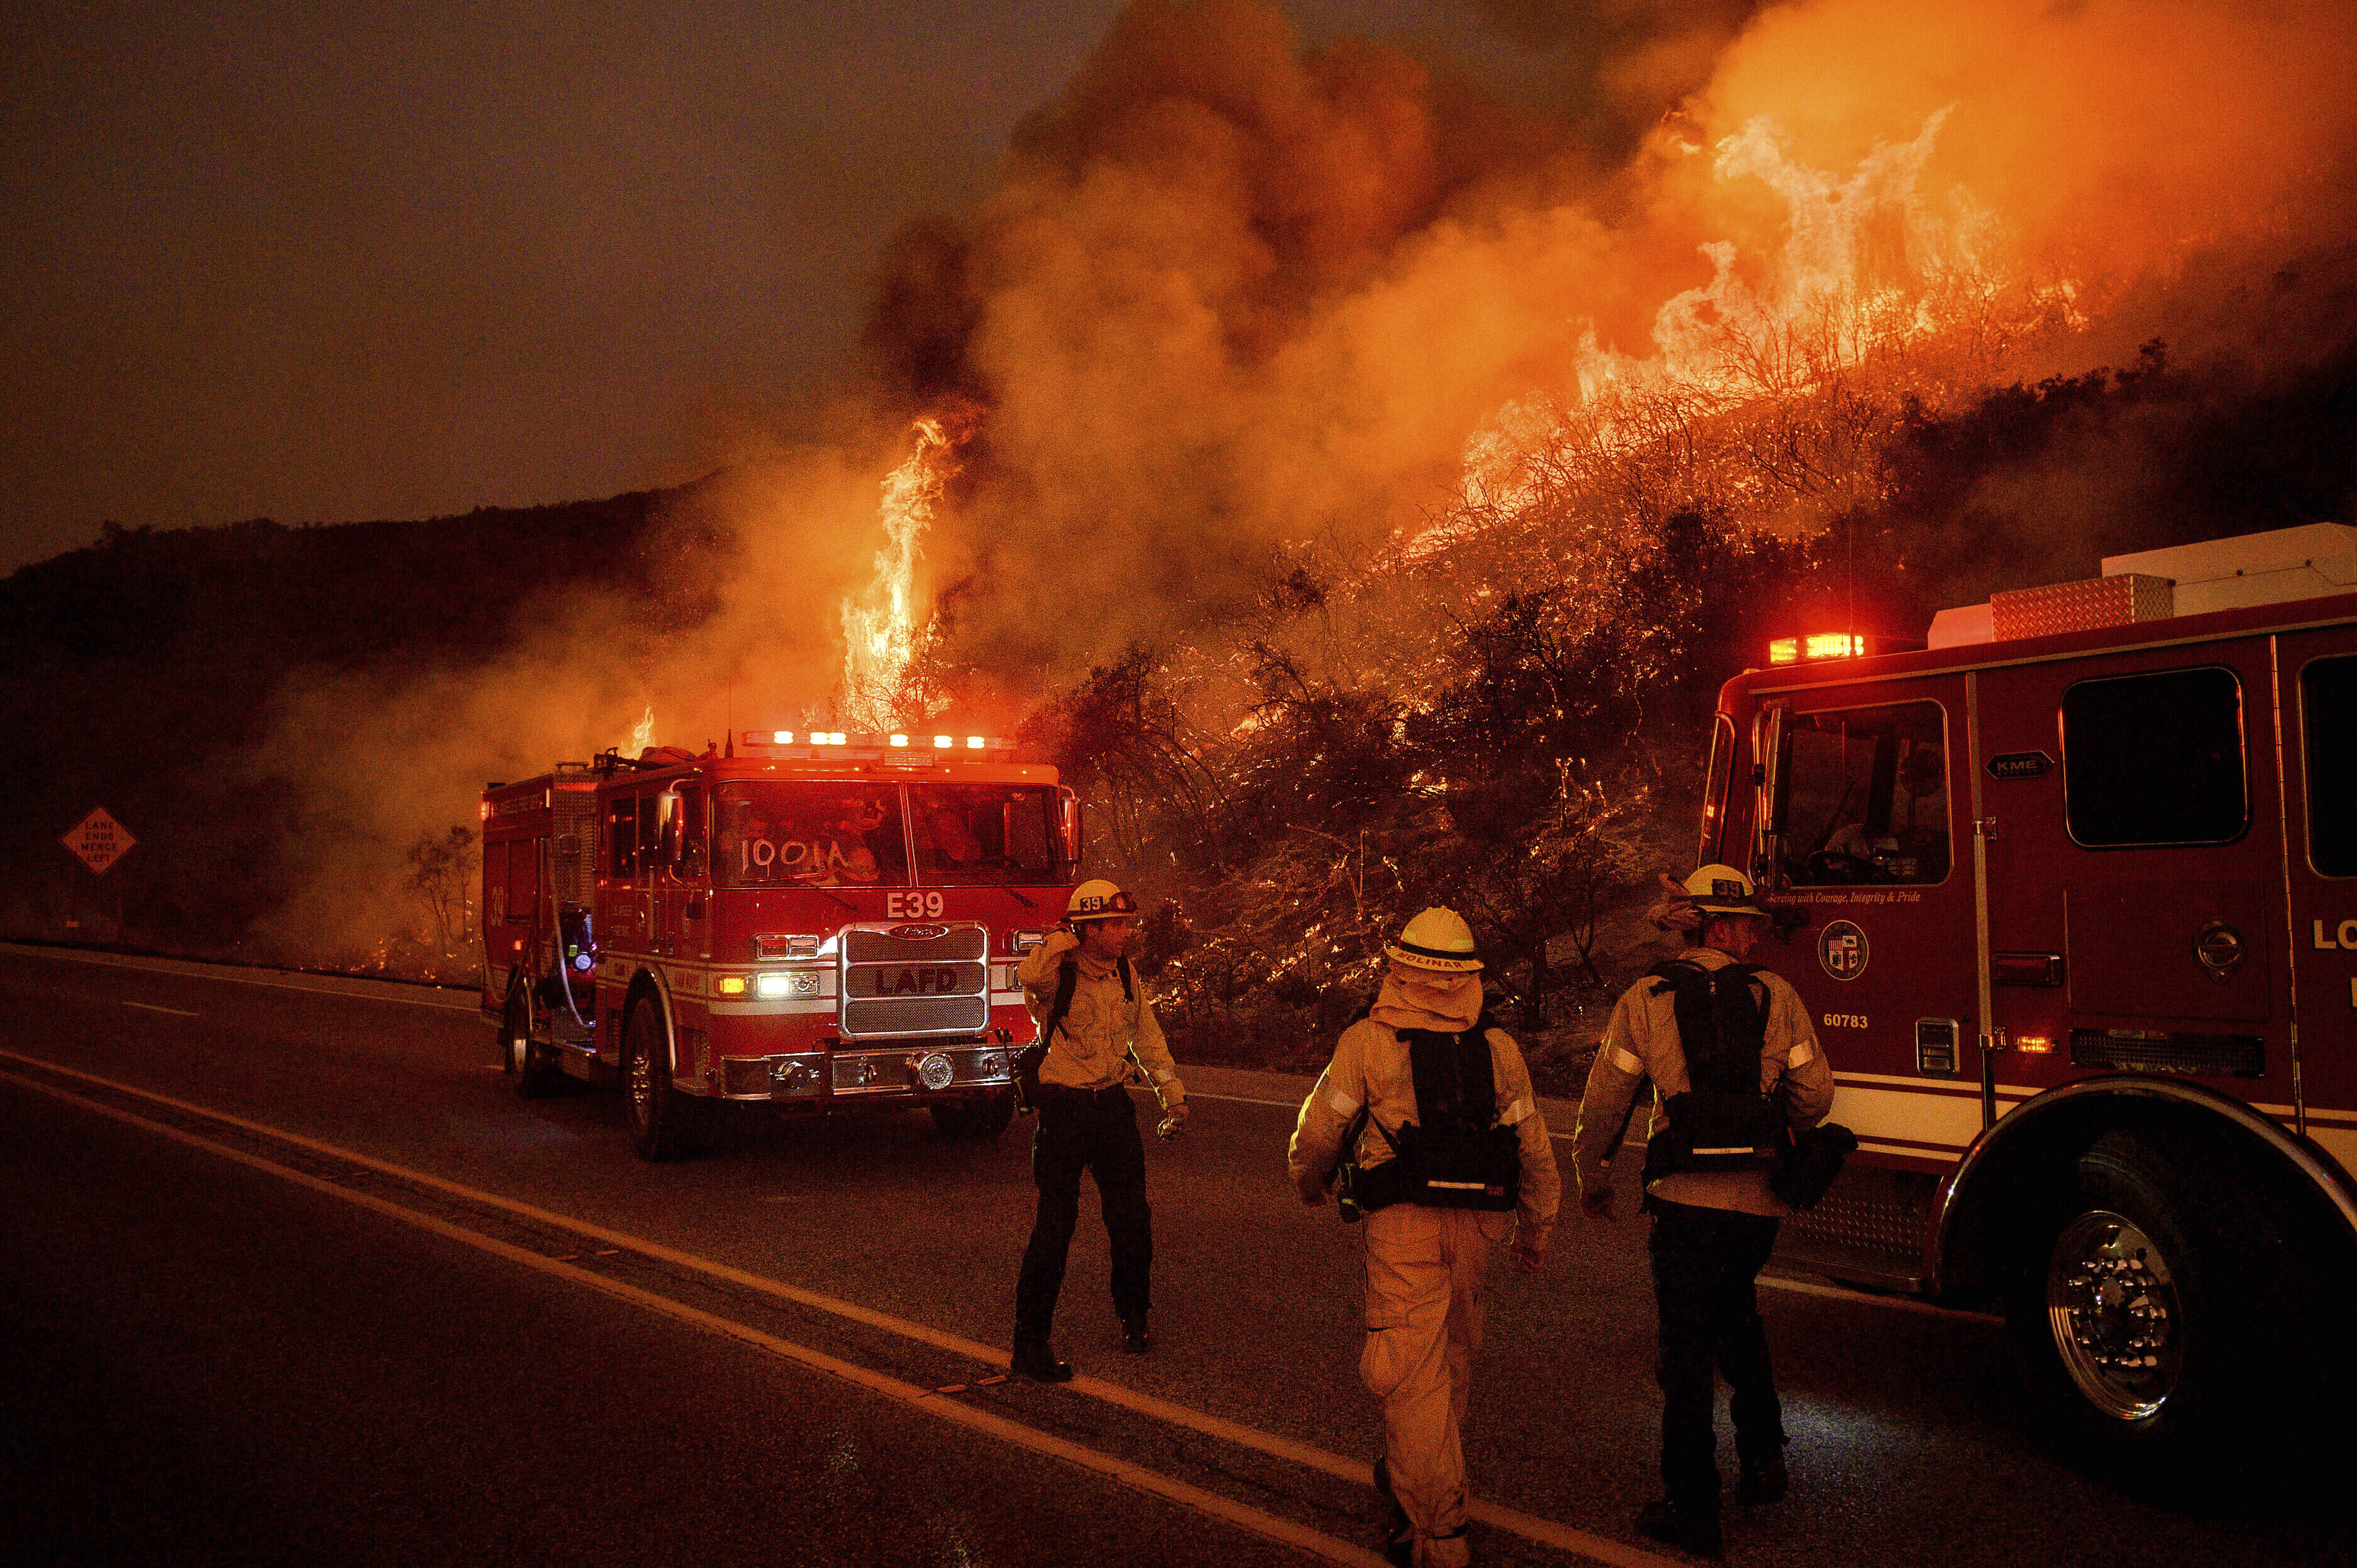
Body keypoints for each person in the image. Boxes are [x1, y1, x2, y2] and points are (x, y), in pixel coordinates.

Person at [1571, 863, 1835, 1560]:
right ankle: (1763, 1461)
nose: (1752, 934)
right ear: (1717, 924)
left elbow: (1606, 1101)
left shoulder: (1646, 996)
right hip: (1756, 1203)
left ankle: (1693, 1507)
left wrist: (1591, 1172)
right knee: (1738, 1314)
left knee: (1686, 1344)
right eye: (1745, 922)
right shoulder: (1775, 995)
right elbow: (1815, 1096)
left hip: (1682, 1200)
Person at [1288, 908, 1560, 1568]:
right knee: (1452, 1354)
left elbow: (1321, 1130)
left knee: (1410, 1371)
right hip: (1480, 1224)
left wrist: (1308, 1179)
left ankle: (1438, 1532)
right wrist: (1536, 1227)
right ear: (1469, 973)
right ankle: (1426, 1476)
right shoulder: (1498, 1047)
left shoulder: (1369, 1041)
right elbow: (1534, 1148)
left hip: (1403, 1221)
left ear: (1400, 967)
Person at [1010, 879, 1189, 1381]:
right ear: (1087, 928)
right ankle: (1029, 1347)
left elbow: (1147, 1036)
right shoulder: (1056, 976)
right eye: (1114, 924)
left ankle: (1135, 1317)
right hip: (1065, 1110)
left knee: (1132, 1220)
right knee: (1055, 1227)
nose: (1125, 933)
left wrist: (1171, 1092)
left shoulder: (1127, 975)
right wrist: (1066, 936)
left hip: (1112, 1107)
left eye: (1128, 923)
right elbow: (1027, 974)